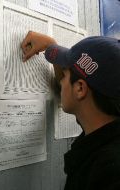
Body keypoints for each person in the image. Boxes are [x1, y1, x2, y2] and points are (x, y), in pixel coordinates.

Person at [21, 31, 120, 190]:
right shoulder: (103, 127)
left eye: (65, 75)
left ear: (80, 88)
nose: (61, 80)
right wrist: (50, 45)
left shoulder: (110, 174)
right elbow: (69, 89)